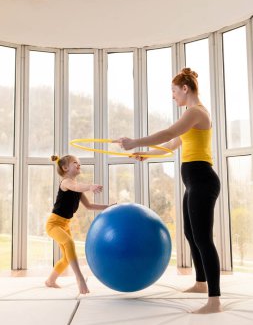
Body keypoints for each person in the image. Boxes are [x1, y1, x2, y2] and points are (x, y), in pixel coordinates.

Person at [113, 67, 222, 314]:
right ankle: (201, 283)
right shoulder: (190, 116)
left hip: (203, 180)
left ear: (185, 89)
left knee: (203, 238)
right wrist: (144, 154)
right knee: (191, 233)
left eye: (174, 91)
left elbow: (169, 133)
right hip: (194, 182)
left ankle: (215, 300)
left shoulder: (196, 112)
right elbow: (171, 145)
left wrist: (135, 141)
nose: (173, 96)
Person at [45, 154, 110, 294]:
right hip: (53, 224)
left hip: (65, 224)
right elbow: (76, 186)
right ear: (65, 168)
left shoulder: (77, 188)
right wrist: (90, 186)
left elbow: (89, 206)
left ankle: (50, 281)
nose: (79, 164)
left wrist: (108, 206)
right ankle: (79, 278)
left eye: (79, 163)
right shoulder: (66, 182)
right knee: (69, 243)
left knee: (66, 258)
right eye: (75, 162)